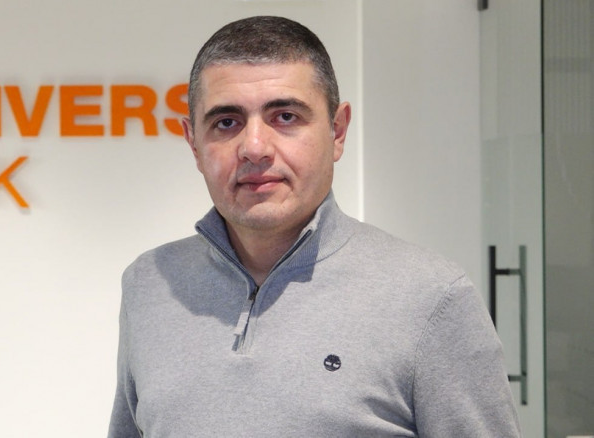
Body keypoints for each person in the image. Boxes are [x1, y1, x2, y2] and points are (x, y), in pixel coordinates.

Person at [108, 16, 520, 437]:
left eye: (285, 116)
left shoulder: (432, 298)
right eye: (226, 122)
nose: (254, 148)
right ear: (193, 143)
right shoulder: (150, 283)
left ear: (337, 131)